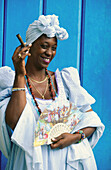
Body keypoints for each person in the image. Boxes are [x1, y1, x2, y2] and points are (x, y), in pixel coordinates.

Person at [0, 14, 104, 170]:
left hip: (69, 160)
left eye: (53, 48)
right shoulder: (12, 80)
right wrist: (20, 74)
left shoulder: (65, 80)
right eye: (44, 46)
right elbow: (15, 122)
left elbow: (92, 120)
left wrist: (74, 137)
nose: (49, 52)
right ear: (29, 46)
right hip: (31, 162)